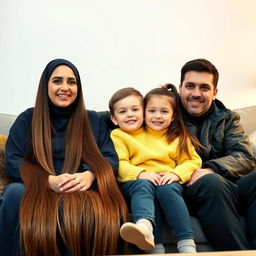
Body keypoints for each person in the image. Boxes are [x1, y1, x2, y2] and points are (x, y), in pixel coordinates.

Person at [0, 58, 127, 256]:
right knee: (13, 193)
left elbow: (110, 157)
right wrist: (47, 181)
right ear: (46, 86)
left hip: (80, 190)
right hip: (38, 188)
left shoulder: (92, 119)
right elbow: (13, 160)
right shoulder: (28, 119)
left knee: (83, 207)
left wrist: (89, 176)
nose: (65, 87)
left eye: (71, 82)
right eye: (57, 81)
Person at [109, 86, 202, 253]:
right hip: (137, 183)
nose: (157, 116)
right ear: (145, 113)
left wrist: (175, 174)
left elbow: (193, 161)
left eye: (164, 112)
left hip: (168, 182)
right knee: (145, 186)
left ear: (173, 116)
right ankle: (148, 235)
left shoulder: (178, 137)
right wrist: (141, 174)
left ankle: (187, 245)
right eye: (152, 111)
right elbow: (119, 164)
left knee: (165, 189)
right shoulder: (120, 135)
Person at [178, 58, 256, 250]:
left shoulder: (227, 118)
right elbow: (122, 113)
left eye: (204, 87)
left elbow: (245, 157)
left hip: (224, 183)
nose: (196, 93)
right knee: (212, 183)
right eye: (190, 86)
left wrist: (212, 168)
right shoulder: (164, 113)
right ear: (180, 88)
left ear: (214, 92)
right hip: (185, 187)